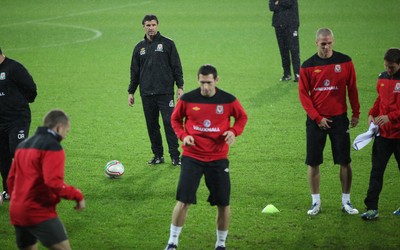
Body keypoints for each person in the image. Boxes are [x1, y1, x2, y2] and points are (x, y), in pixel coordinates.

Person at [165, 64, 248, 250]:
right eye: (202, 82)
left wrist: (234, 131)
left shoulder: (228, 100)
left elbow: (242, 117)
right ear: (198, 80)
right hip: (192, 157)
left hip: (218, 159)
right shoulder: (187, 99)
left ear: (216, 81)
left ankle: (220, 244)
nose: (205, 87)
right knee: (183, 200)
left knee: (223, 203)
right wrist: (183, 136)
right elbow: (175, 119)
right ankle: (172, 242)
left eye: (209, 83)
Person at [298, 28, 360, 216]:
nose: (326, 47)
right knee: (313, 162)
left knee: (345, 161)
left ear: (333, 41)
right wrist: (317, 118)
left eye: (329, 43)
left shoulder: (345, 61)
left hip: (339, 120)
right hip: (316, 122)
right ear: (316, 42)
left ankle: (346, 201)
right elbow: (303, 95)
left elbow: (353, 88)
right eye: (323, 43)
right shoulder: (308, 65)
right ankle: (315, 202)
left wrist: (356, 112)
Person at [7, 109, 85, 250]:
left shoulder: (23, 144)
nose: (65, 136)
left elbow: (11, 179)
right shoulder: (52, 147)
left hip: (17, 211)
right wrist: (77, 195)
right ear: (58, 127)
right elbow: (53, 182)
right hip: (38, 210)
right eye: (66, 131)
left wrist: (18, 202)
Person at [128, 14, 184, 166]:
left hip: (165, 93)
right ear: (143, 26)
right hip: (146, 94)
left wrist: (180, 87)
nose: (150, 28)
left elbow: (176, 66)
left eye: (153, 25)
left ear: (157, 25)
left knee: (169, 123)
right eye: (148, 25)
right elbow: (135, 72)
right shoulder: (139, 47)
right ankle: (158, 155)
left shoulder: (168, 44)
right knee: (152, 126)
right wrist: (131, 92)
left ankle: (175, 156)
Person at [361, 48, 400, 220]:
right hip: (383, 135)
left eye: (391, 67)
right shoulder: (382, 77)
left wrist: (390, 116)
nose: (388, 70)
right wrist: (372, 113)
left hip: (399, 135)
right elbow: (380, 99)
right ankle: (371, 208)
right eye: (386, 66)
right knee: (376, 172)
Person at [0, 47, 37, 201]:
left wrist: (18, 103)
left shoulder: (14, 68)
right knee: (2, 157)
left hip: (17, 119)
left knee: (17, 151)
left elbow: (31, 90)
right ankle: (9, 191)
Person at [269, 0, 300, 82]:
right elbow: (271, 7)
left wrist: (278, 2)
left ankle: (298, 74)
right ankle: (287, 74)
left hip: (291, 24)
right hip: (278, 25)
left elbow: (288, 3)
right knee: (283, 51)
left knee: (294, 50)